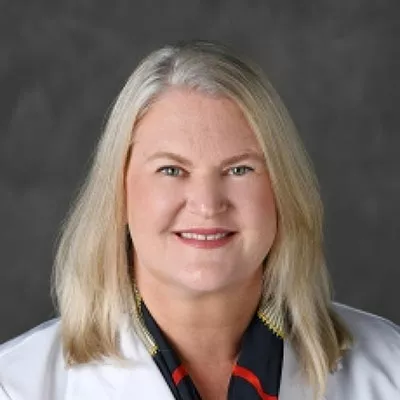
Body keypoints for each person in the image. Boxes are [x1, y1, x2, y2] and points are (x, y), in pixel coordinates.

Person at [0, 40, 399, 400]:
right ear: (118, 194)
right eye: (171, 170)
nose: (207, 205)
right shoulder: (17, 386)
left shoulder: (391, 371)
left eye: (239, 169)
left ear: (283, 190)